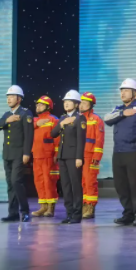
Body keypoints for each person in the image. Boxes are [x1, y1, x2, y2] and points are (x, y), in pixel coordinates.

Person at [103, 78, 136, 227]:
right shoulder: (118, 109)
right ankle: (128, 213)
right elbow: (107, 119)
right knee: (121, 185)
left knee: (135, 184)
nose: (123, 93)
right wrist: (123, 113)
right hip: (118, 151)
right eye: (121, 91)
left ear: (134, 93)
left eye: (126, 90)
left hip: (134, 151)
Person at [0, 85, 34, 223]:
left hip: (19, 154)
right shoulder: (7, 115)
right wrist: (6, 121)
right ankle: (13, 213)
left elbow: (29, 135)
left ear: (19, 99)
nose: (8, 99)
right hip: (7, 154)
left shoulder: (25, 113)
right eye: (7, 97)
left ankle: (25, 211)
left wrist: (27, 152)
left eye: (11, 96)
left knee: (16, 181)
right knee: (10, 184)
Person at [51, 90, 86, 224]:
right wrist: (62, 124)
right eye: (65, 102)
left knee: (75, 185)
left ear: (76, 104)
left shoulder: (80, 118)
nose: (66, 104)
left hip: (73, 157)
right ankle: (69, 213)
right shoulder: (62, 118)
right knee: (65, 186)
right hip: (62, 156)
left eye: (69, 102)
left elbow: (81, 140)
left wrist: (79, 157)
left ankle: (77, 214)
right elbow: (53, 134)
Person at [31, 96, 60, 218]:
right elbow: (25, 127)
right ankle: (43, 206)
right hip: (37, 155)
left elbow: (58, 139)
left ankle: (50, 207)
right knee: (39, 181)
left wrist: (56, 154)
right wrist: (36, 124)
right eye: (37, 105)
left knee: (49, 182)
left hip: (49, 156)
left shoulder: (53, 120)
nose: (38, 107)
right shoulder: (34, 120)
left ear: (48, 107)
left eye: (41, 105)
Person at [78, 92, 104, 219]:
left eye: (85, 103)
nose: (81, 105)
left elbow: (99, 140)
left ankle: (90, 206)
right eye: (81, 103)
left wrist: (96, 156)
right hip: (79, 156)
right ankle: (84, 204)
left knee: (90, 182)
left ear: (91, 105)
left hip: (90, 156)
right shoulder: (78, 119)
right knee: (82, 182)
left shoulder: (96, 119)